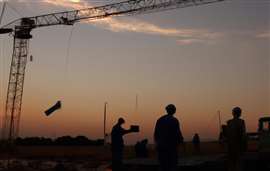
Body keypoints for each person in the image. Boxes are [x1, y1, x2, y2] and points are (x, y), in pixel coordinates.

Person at [154, 104, 184, 171]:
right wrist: (181, 142)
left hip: (161, 146)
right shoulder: (174, 120)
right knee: (172, 165)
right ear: (174, 111)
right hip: (171, 146)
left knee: (163, 165)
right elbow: (177, 133)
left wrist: (157, 143)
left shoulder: (160, 120)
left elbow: (156, 134)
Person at [226, 107, 247, 171]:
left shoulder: (229, 122)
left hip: (231, 146)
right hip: (239, 146)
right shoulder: (241, 122)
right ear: (239, 113)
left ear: (233, 113)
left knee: (231, 164)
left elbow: (227, 134)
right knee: (238, 164)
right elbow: (243, 135)